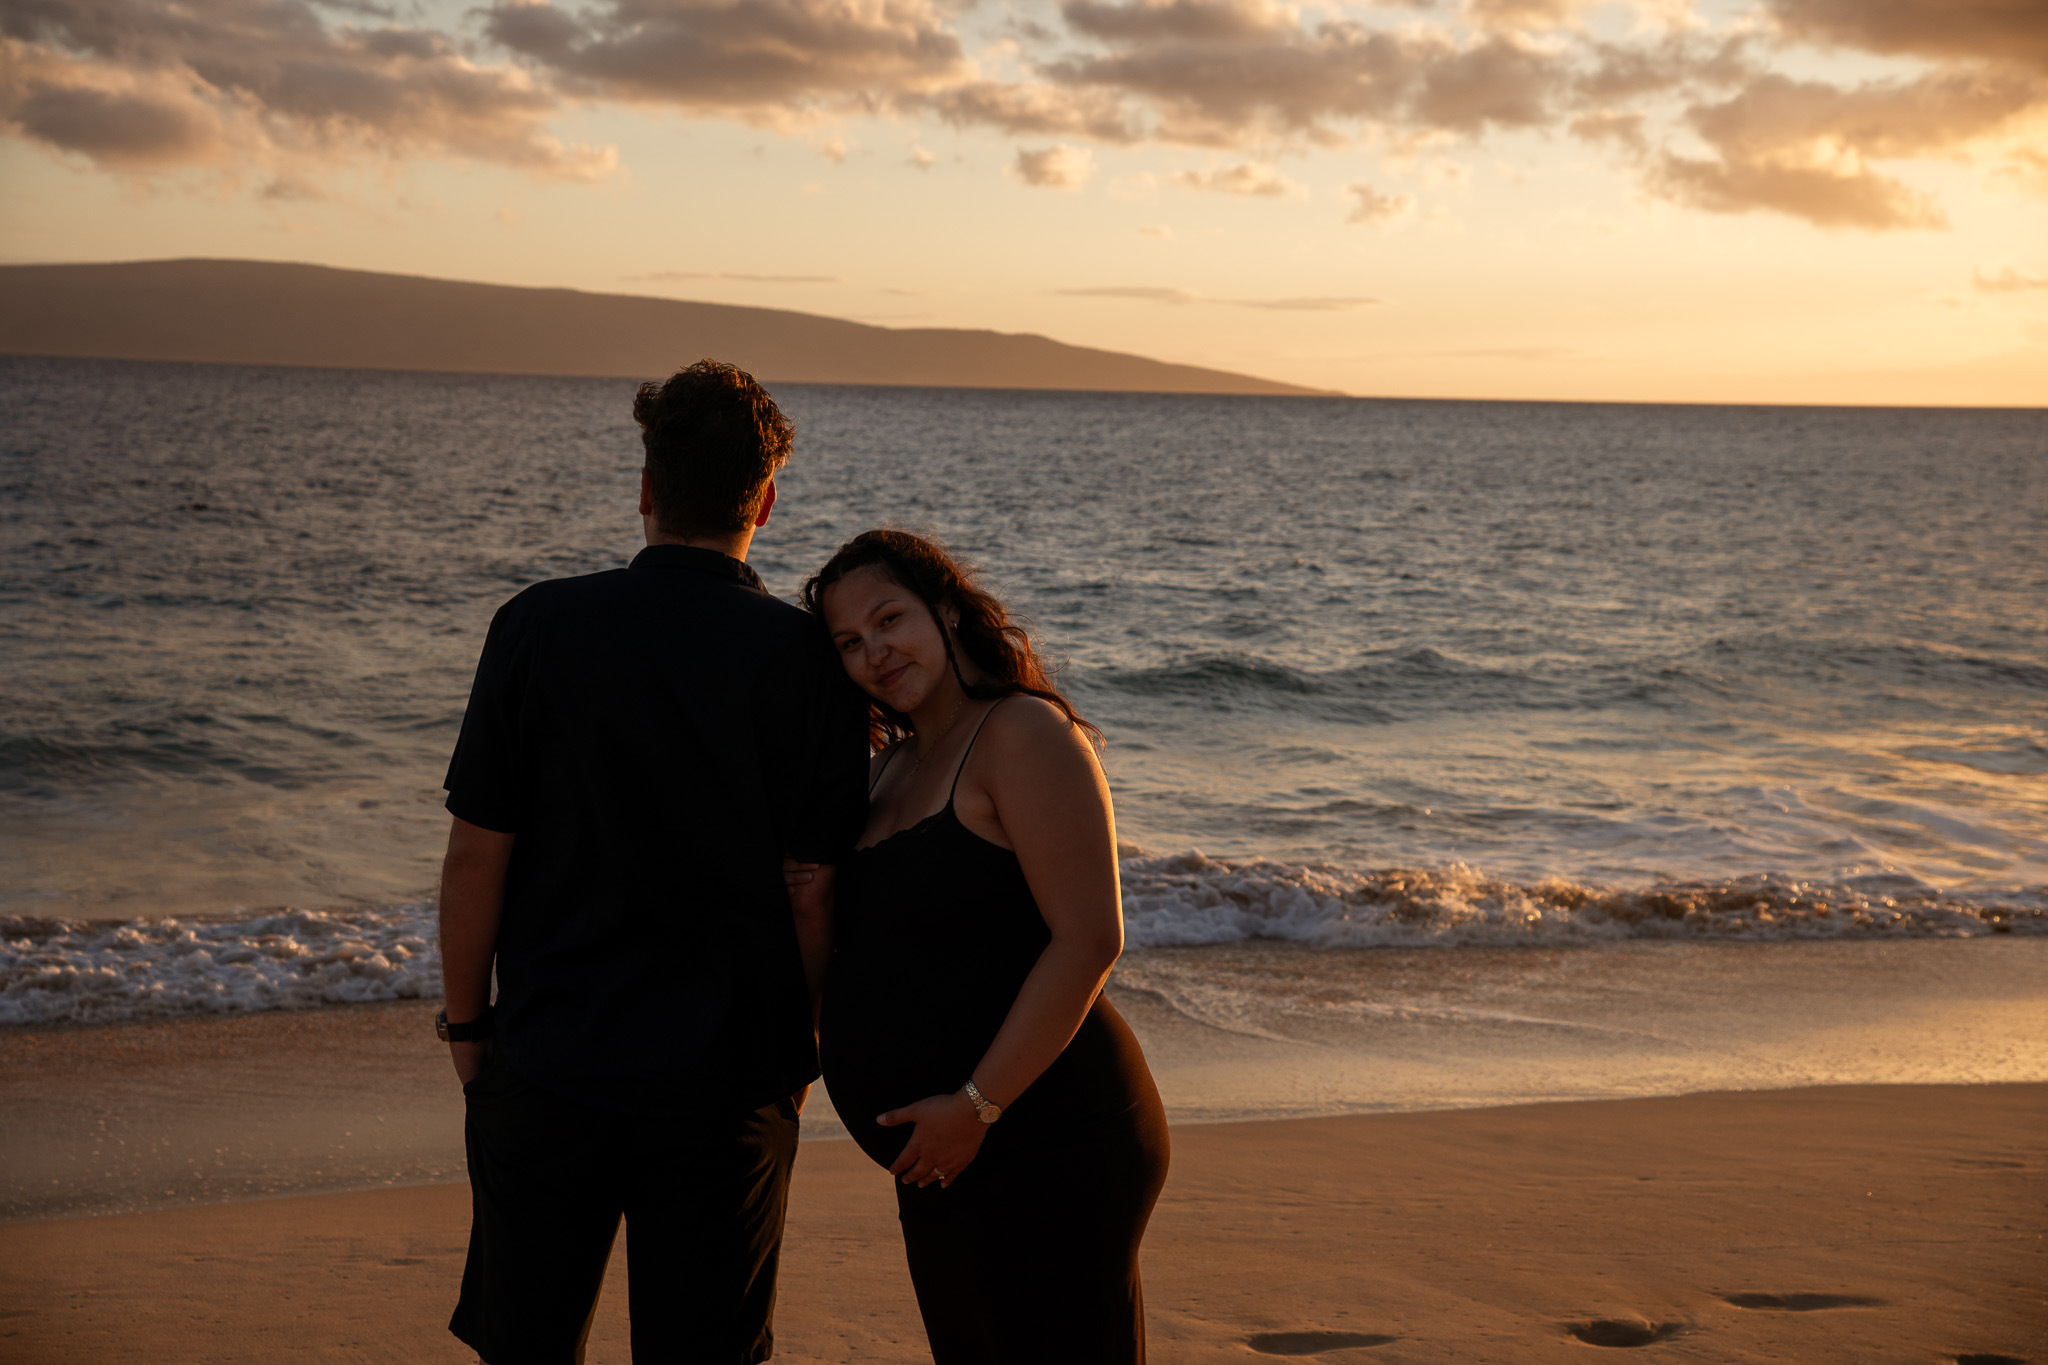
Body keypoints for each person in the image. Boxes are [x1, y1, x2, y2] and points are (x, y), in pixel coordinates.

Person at [437, 359, 867, 1365]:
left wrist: (468, 1028)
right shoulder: (805, 658)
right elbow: (812, 890)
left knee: (527, 1343)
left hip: (549, 1059)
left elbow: (473, 857)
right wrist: (795, 1050)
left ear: (644, 490)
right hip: (726, 1081)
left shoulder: (536, 624)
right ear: (763, 498)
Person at [791, 529, 1169, 1365]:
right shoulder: (888, 768)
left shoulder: (1021, 733)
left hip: (1048, 1135)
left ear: (950, 609)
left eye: (889, 619)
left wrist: (976, 1105)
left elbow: (1089, 939)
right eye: (849, 643)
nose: (874, 652)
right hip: (944, 1157)